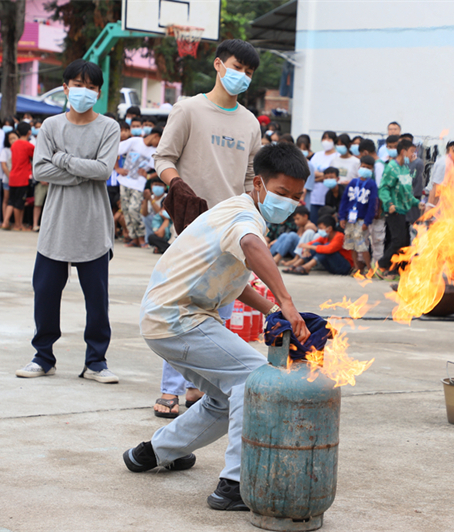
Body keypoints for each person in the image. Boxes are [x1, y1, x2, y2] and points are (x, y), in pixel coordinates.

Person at [124, 143, 310, 511]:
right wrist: (286, 301)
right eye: (282, 193)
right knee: (252, 381)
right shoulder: (245, 219)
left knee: (224, 399)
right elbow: (251, 245)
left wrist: (273, 311)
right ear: (258, 183)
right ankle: (234, 485)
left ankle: (151, 453)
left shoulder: (234, 212)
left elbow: (233, 280)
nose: (289, 202)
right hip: (179, 319)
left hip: (168, 318)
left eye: (297, 196)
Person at [152, 39, 262, 417]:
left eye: (249, 72)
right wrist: (176, 185)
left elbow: (250, 177)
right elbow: (163, 157)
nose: (242, 76)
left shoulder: (250, 122)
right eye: (237, 67)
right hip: (193, 230)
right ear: (218, 65)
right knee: (182, 311)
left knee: (221, 312)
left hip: (231, 232)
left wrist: (255, 218)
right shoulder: (189, 109)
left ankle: (204, 388)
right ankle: (170, 390)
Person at [14, 59, 121, 383]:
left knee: (97, 300)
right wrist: (80, 170)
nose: (84, 91)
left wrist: (62, 160)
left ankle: (96, 362)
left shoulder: (108, 127)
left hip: (93, 225)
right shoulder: (50, 126)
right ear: (65, 87)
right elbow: (40, 171)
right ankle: (43, 356)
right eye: (78, 84)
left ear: (98, 92)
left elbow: (103, 170)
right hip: (56, 226)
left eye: (90, 87)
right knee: (45, 293)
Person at [376, 138, 419, 279]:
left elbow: (407, 193)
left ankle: (401, 271)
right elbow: (383, 188)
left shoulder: (405, 169)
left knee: (405, 242)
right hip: (394, 211)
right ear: (403, 151)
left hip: (404, 210)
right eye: (412, 151)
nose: (414, 154)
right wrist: (389, 204)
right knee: (398, 240)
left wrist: (417, 202)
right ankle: (381, 265)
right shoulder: (391, 168)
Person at [117, 126, 161, 247]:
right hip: (125, 181)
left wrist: (148, 176)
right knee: (126, 211)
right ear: (156, 136)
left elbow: (159, 169)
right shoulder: (134, 141)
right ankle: (134, 238)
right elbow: (116, 150)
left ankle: (141, 237)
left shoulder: (154, 151)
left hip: (138, 184)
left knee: (134, 209)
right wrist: (117, 168)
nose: (159, 144)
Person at [339, 155, 378, 272]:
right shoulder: (353, 182)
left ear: (372, 170)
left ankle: (369, 268)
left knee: (362, 244)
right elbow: (344, 200)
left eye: (368, 168)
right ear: (359, 166)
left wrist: (367, 221)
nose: (365, 169)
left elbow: (372, 204)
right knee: (351, 244)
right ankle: (357, 268)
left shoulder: (372, 185)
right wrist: (341, 217)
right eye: (363, 166)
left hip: (362, 220)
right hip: (350, 219)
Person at [284, 215, 353, 276]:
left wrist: (309, 247)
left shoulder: (340, 237)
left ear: (329, 229)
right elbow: (312, 243)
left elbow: (329, 249)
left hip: (344, 268)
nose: (319, 230)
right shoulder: (326, 237)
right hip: (332, 267)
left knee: (325, 247)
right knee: (317, 244)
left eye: (321, 228)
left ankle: (307, 267)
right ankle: (295, 265)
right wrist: (306, 249)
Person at [3, 122, 34, 231]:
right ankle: (18, 225)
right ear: (29, 132)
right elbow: (34, 156)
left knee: (11, 201)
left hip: (13, 176)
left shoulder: (14, 144)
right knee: (19, 203)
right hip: (22, 178)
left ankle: (5, 222)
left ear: (17, 132)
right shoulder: (29, 146)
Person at [308, 131, 338, 222]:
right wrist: (325, 176)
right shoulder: (317, 155)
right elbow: (311, 173)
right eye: (324, 138)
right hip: (314, 197)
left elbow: (334, 175)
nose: (326, 141)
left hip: (328, 197)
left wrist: (318, 176)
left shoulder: (337, 156)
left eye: (329, 138)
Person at [0, 130, 17, 227]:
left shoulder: (19, 149)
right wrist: (11, 177)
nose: (13, 140)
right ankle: (5, 221)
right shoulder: (5, 151)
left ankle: (12, 221)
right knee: (6, 199)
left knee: (15, 200)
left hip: (18, 179)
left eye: (14, 138)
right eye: (10, 139)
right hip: (7, 179)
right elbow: (3, 165)